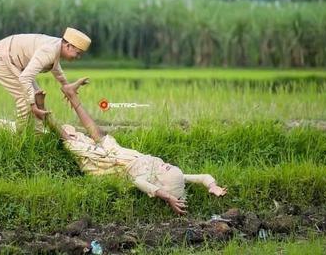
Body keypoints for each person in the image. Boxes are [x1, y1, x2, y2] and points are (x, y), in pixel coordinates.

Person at [36, 78, 227, 215]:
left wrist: (167, 197)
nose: (165, 164)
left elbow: (140, 184)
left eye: (165, 169)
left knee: (74, 144)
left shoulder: (147, 179)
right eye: (167, 165)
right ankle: (71, 96)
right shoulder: (176, 176)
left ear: (160, 181)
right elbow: (203, 177)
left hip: (110, 165)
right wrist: (213, 185)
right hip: (127, 155)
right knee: (98, 134)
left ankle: (44, 114)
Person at [0, 28, 91, 133]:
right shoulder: (50, 50)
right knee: (25, 101)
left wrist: (65, 85)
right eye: (78, 53)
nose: (78, 57)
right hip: (0, 60)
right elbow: (25, 78)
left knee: (36, 97)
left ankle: (36, 134)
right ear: (68, 46)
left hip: (14, 62)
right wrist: (32, 105)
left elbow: (54, 66)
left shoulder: (56, 46)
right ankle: (22, 139)